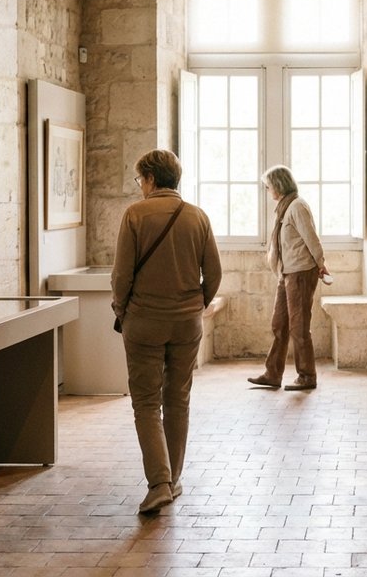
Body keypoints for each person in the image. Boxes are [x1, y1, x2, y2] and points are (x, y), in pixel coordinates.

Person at [112, 149, 221, 514]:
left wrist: (121, 310)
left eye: (139, 179)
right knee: (178, 399)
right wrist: (196, 304)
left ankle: (158, 483)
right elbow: (215, 273)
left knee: (146, 402)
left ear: (151, 179)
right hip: (186, 322)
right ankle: (173, 480)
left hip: (143, 321)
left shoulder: (135, 215)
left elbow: (121, 275)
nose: (139, 186)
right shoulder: (197, 217)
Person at [247, 165, 329, 391]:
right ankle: (273, 373)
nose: (267, 190)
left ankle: (307, 376)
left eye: (269, 186)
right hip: (287, 273)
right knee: (279, 324)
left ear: (279, 185)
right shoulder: (285, 207)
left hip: (300, 273)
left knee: (299, 326)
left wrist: (321, 265)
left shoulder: (297, 206)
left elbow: (312, 239)